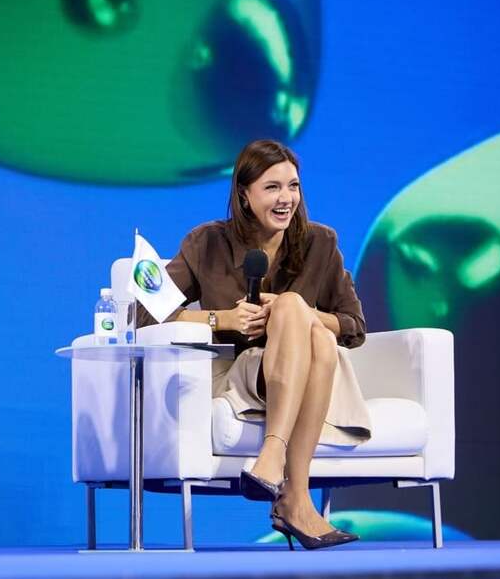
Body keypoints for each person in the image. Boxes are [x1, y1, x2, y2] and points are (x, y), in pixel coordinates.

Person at [138, 139, 370, 550]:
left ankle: (275, 464)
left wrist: (294, 312)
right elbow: (146, 315)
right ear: (245, 195)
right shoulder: (207, 242)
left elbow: (354, 326)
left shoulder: (320, 242)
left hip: (313, 373)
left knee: (304, 317)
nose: (286, 199)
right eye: (272, 187)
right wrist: (221, 319)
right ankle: (294, 496)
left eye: (293, 186)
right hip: (241, 372)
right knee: (309, 325)